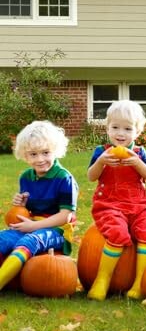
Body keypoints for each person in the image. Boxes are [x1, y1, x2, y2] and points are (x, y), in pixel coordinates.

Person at [87, 100, 146, 300]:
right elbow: (91, 176)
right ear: (107, 128)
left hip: (137, 206)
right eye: (115, 127)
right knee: (117, 232)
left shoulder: (140, 153)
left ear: (137, 132)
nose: (121, 133)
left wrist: (137, 163)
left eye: (127, 129)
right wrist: (101, 162)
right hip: (109, 205)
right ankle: (102, 279)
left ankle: (139, 282)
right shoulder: (102, 152)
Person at [0, 121, 78, 291]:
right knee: (2, 239)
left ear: (55, 150)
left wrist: (34, 226)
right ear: (25, 156)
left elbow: (65, 215)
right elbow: (28, 211)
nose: (40, 159)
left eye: (45, 152)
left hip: (58, 231)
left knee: (30, 241)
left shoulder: (64, 179)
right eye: (33, 154)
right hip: (31, 224)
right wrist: (21, 205)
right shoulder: (26, 177)